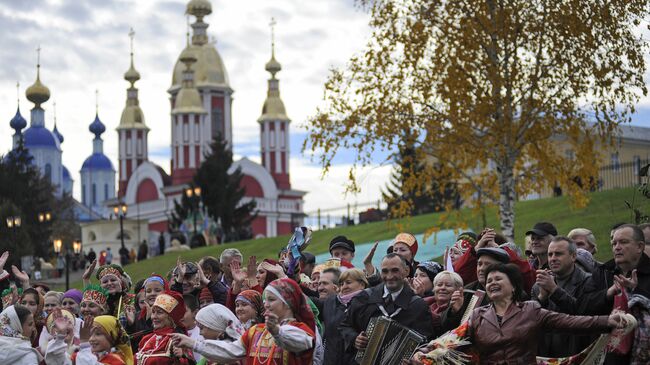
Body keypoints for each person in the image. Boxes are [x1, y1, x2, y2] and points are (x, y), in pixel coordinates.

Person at [414, 263, 629, 365]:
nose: (492, 283)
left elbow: (571, 322)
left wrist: (606, 321)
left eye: (498, 279)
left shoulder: (531, 310)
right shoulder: (478, 315)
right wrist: (423, 352)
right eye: (489, 281)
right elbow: (451, 339)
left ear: (514, 287)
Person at [168, 278, 316, 364]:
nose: (266, 304)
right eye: (265, 300)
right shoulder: (256, 331)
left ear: (288, 302)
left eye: (271, 299)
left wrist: (277, 331)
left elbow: (300, 341)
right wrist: (192, 343)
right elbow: (230, 350)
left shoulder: (302, 330)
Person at [340, 253, 434, 359]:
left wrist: (415, 355)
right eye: (385, 271)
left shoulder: (418, 306)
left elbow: (425, 340)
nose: (389, 276)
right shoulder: (364, 298)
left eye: (395, 270)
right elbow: (345, 325)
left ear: (406, 271)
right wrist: (354, 339)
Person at [581, 223, 650, 364]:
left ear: (640, 247)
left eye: (623, 242)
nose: (617, 247)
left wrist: (634, 293)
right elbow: (583, 306)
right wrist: (608, 293)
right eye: (614, 243)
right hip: (606, 356)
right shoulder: (603, 272)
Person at [531, 236, 597, 357]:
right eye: (550, 254)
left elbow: (583, 313)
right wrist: (542, 298)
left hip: (578, 354)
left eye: (558, 254)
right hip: (548, 357)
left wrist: (554, 290)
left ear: (573, 256)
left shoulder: (589, 281)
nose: (553, 258)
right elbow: (530, 321)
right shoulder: (538, 286)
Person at [439, 247, 510, 332]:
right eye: (479, 264)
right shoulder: (467, 291)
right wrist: (455, 312)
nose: (481, 269)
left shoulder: (512, 292)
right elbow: (446, 328)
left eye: (487, 264)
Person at [170, 303, 246, 365]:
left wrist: (192, 343)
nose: (200, 333)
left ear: (215, 326)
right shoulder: (210, 353)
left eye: (202, 328)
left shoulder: (231, 356)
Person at [322, 268, 367, 365]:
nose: (344, 287)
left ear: (362, 284)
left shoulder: (370, 304)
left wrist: (355, 339)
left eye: (348, 282)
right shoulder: (330, 302)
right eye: (341, 284)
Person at [136, 290, 194, 364]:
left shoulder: (177, 340)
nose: (154, 317)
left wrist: (182, 356)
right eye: (153, 312)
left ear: (170, 317)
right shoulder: (146, 339)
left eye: (159, 313)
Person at [429, 271, 463, 336]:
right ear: (433, 288)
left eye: (448, 285)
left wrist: (456, 312)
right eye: (439, 285)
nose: (443, 288)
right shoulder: (423, 304)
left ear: (458, 290)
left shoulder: (461, 309)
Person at [182, 294, 204, 362]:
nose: (179, 315)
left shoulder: (203, 333)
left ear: (195, 313)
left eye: (183, 311)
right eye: (177, 311)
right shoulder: (173, 332)